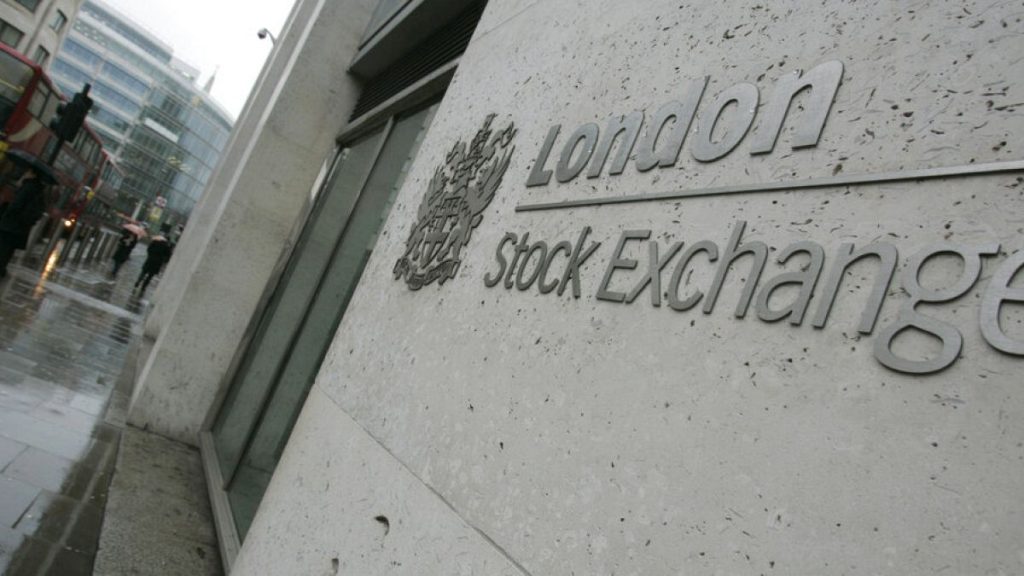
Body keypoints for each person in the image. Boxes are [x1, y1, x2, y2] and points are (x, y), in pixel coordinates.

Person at [0, 167, 47, 279]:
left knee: (3, 246)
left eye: (28, 171)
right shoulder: (39, 189)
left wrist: (6, 212)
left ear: (32, 174)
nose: (25, 173)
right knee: (9, 248)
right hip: (21, 225)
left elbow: (16, 205)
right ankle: (2, 268)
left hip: (11, 223)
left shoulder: (28, 186)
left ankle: (0, 268)